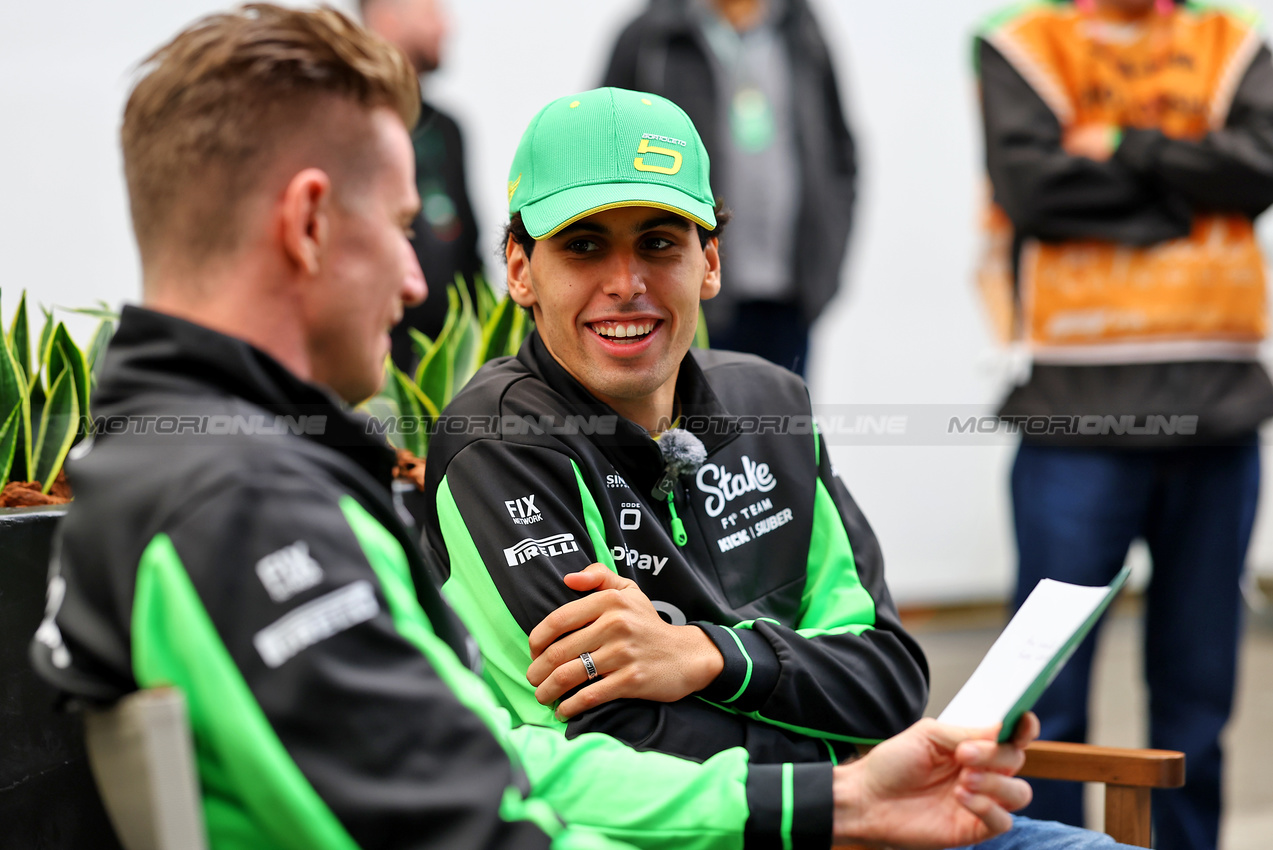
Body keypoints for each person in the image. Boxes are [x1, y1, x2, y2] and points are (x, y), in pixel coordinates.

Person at [28, 6, 1038, 849]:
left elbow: (500, 767)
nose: (418, 279)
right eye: (403, 225)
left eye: (660, 241)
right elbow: (494, 811)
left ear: (710, 259)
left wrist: (801, 764)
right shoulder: (240, 505)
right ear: (308, 224)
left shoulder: (223, 471)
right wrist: (827, 793)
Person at [422, 85, 1135, 850]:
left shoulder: (769, 403)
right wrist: (839, 778)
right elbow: (611, 741)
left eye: (658, 243)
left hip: (865, 813)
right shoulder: (496, 445)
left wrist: (707, 656)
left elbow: (887, 680)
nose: (625, 283)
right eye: (583, 246)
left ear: (709, 263)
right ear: (520, 270)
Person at [973, 1, 1273, 847]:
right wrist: (1189, 194)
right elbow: (1033, 189)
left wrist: (1123, 145)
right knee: (1043, 698)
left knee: (1196, 699)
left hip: (1216, 412)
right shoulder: (1025, 48)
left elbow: (1260, 167)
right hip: (1075, 413)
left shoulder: (1230, 46)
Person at [601, 0, 855, 377]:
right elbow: (602, 157)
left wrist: (826, 268)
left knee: (782, 412)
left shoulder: (803, 30)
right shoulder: (652, 35)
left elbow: (840, 154)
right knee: (691, 414)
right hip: (686, 296)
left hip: (790, 297)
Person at [362, 0, 482, 371]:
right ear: (386, 19)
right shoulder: (348, 130)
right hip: (379, 363)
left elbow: (469, 253)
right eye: (431, 13)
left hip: (452, 362)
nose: (446, 28)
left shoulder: (446, 130)